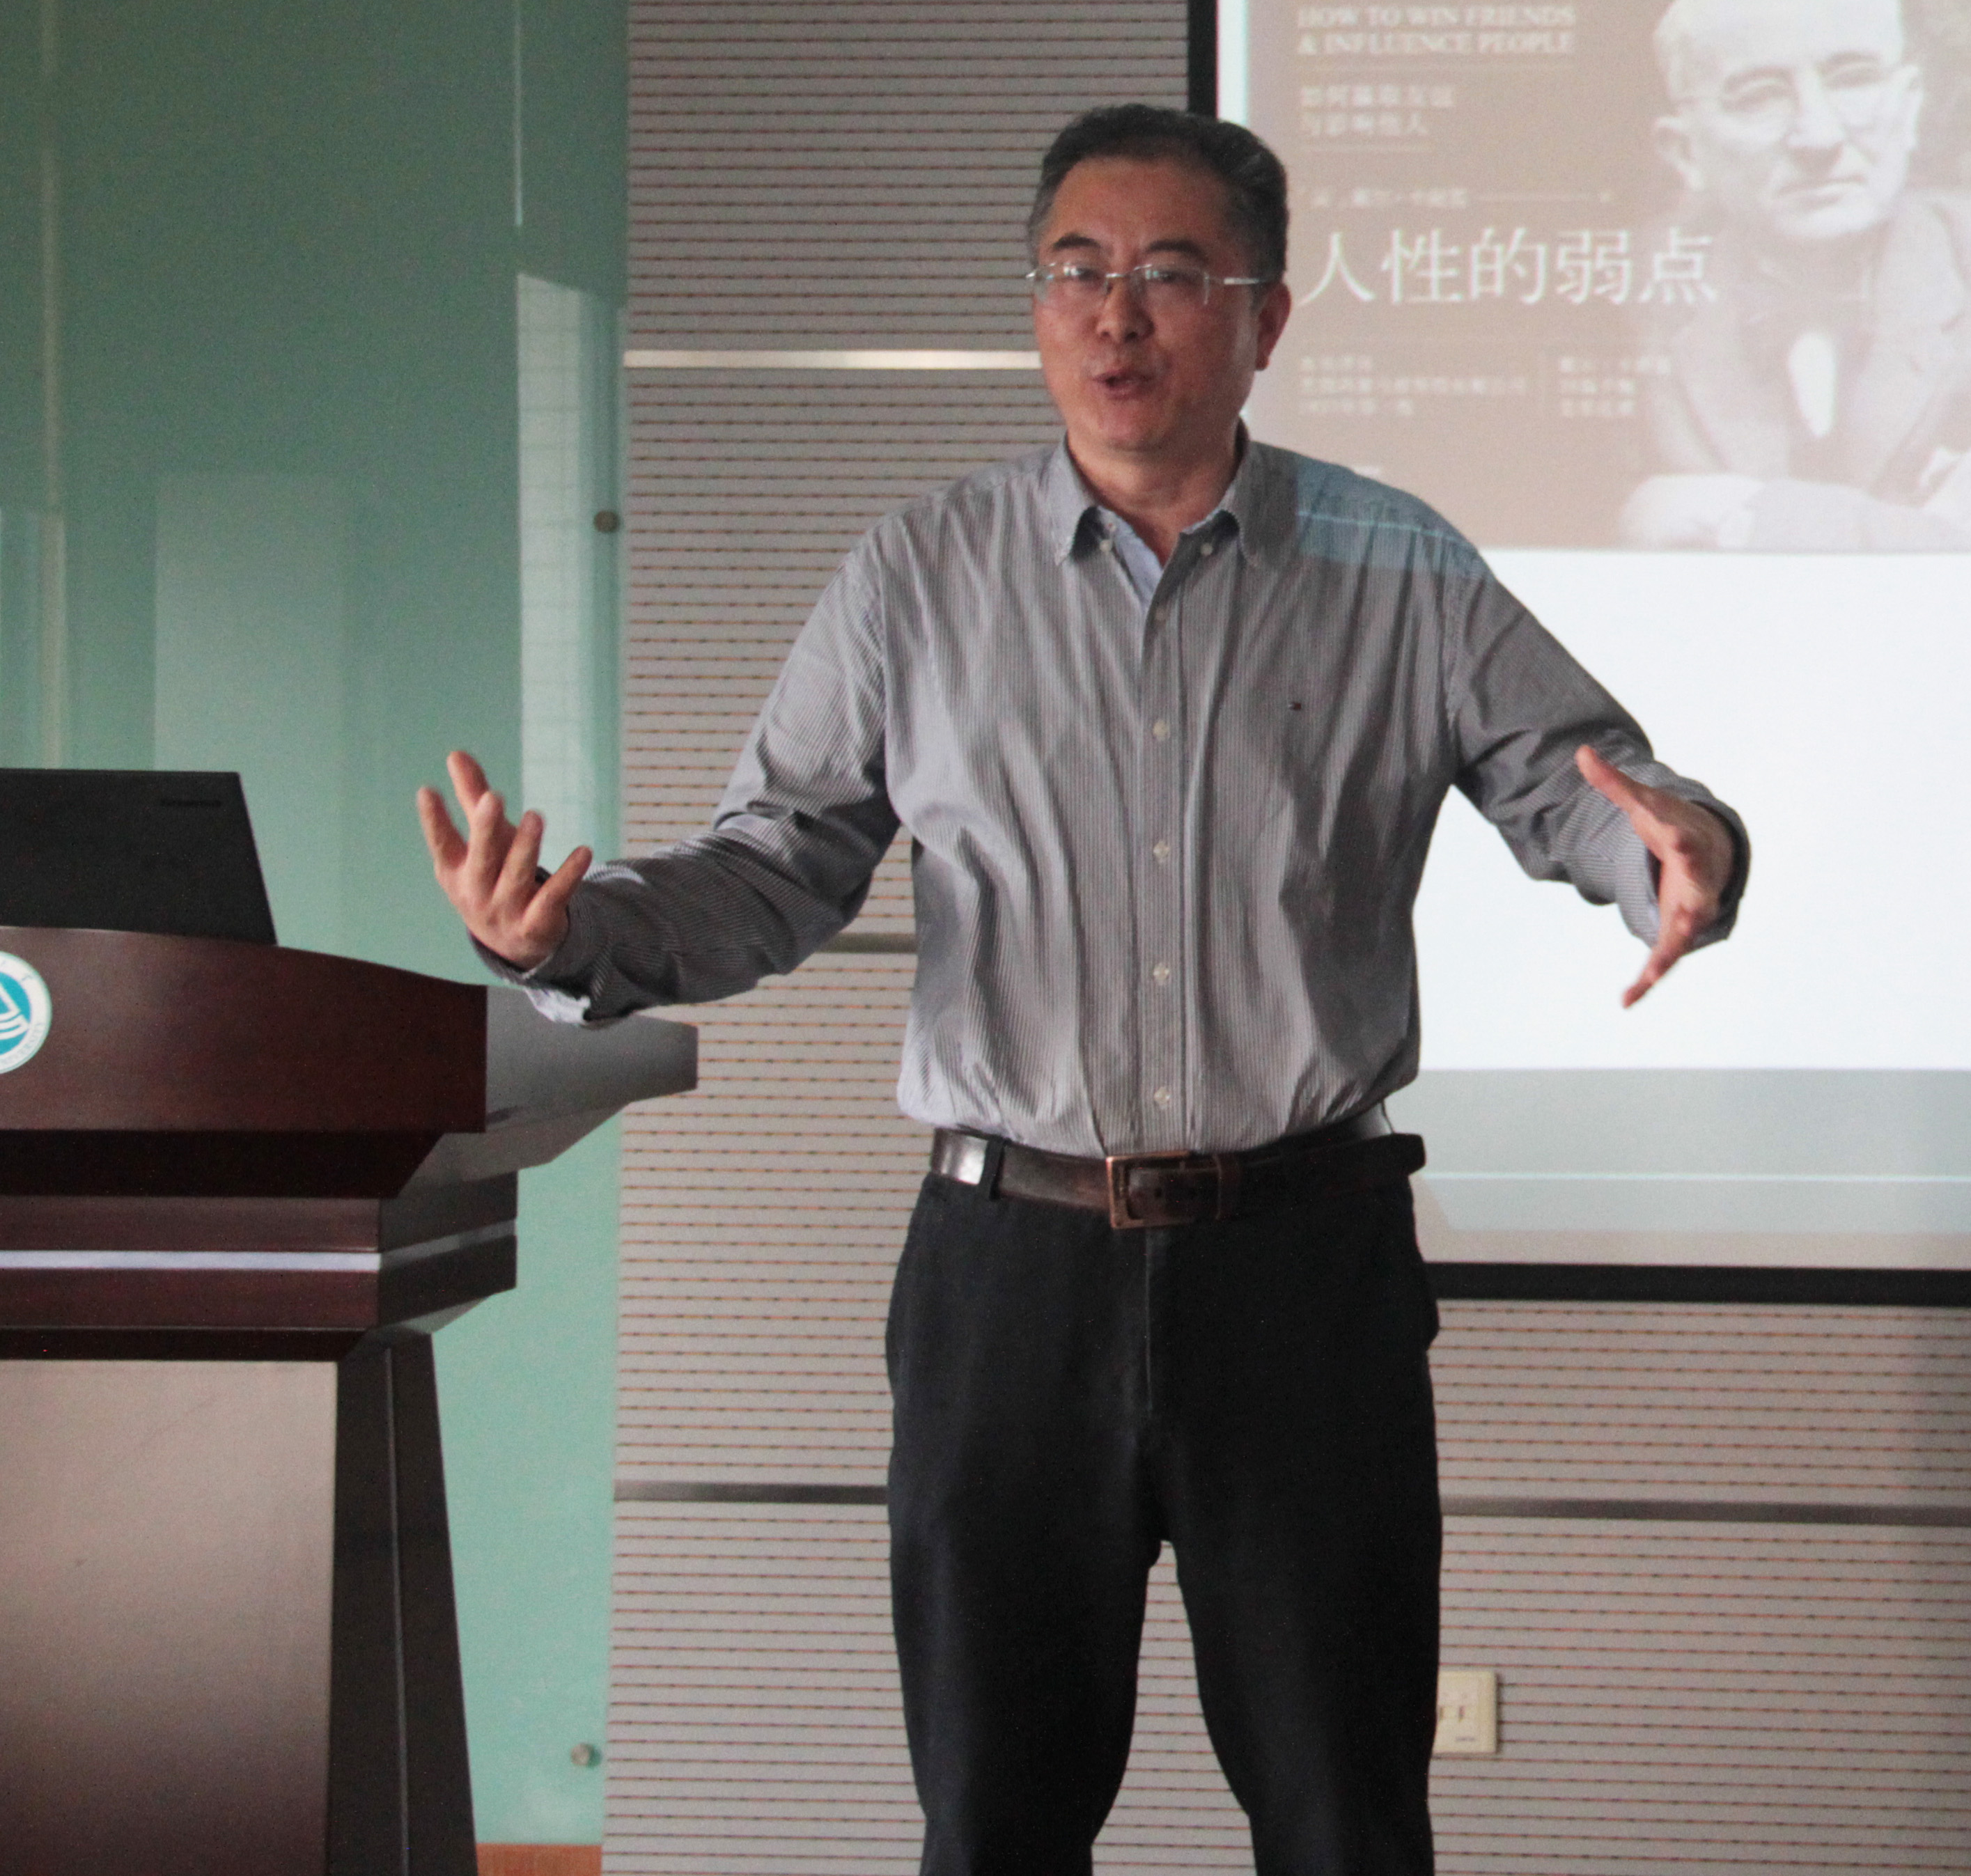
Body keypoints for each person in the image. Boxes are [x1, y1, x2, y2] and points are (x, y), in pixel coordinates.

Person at [416, 105, 1745, 1876]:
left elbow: (1578, 781)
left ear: (1266, 319)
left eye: (1173, 274)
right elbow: (775, 866)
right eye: (1076, 271)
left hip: (1304, 1274)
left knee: (1347, 1818)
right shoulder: (920, 576)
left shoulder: (1399, 566)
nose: (1117, 315)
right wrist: (563, 937)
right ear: (1036, 306)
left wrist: (1678, 852)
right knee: (994, 1824)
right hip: (1011, 1277)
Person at [1619, 0, 1971, 552]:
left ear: (1908, 108)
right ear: (1685, 152)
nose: (1818, 136)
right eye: (1759, 97)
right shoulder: (1623, 290)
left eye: (1853, 80)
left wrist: (1745, 515)